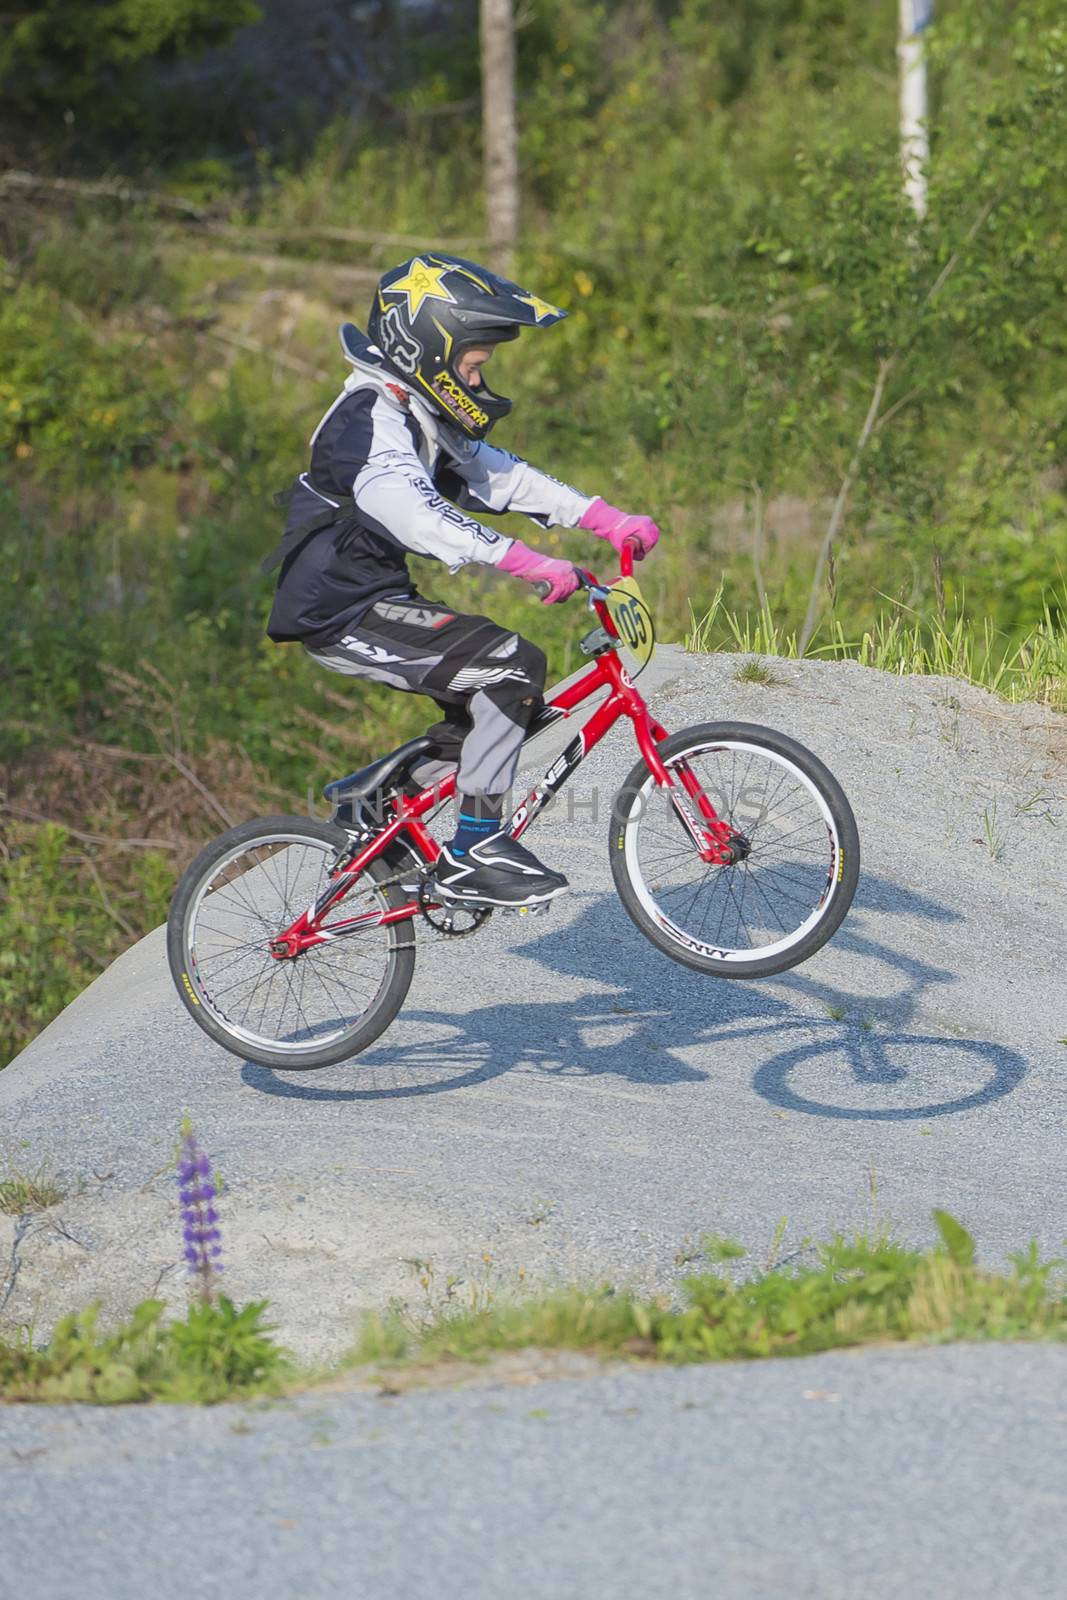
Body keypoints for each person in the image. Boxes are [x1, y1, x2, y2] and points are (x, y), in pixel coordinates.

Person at [265, 252, 659, 908]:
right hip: (337, 612)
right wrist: (526, 561)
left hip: (377, 598)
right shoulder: (369, 420)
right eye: (473, 361)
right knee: (508, 665)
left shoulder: (417, 411)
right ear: (427, 349)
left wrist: (603, 518)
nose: (479, 377)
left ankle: (376, 795)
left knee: (499, 705)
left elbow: (499, 476)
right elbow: (416, 517)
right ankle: (472, 850)